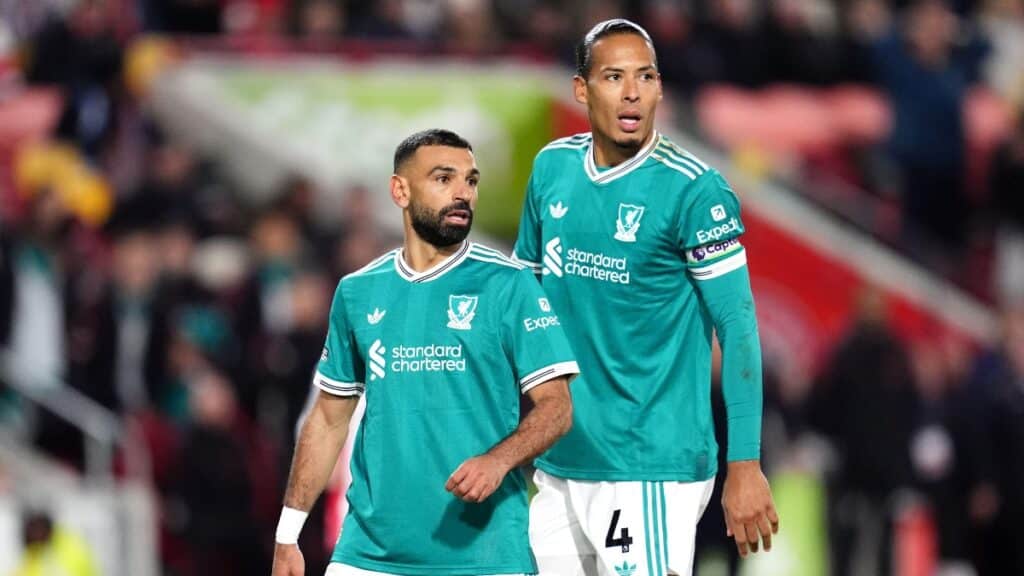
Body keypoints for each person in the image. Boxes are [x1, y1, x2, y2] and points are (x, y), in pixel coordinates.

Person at [512, 19, 778, 575]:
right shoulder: (552, 169)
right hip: (561, 460)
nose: (632, 92)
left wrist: (745, 463)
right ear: (582, 89)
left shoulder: (695, 192)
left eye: (646, 76)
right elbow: (524, 307)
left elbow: (738, 327)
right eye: (614, 77)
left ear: (659, 89)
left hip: (647, 467)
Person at [271, 129, 579, 576]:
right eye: (443, 179)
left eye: (471, 181)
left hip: (484, 555)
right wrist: (288, 533)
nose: (462, 193)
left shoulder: (509, 284)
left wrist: (499, 460)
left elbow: (557, 407)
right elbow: (328, 419)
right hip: (369, 555)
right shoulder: (358, 291)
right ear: (400, 191)